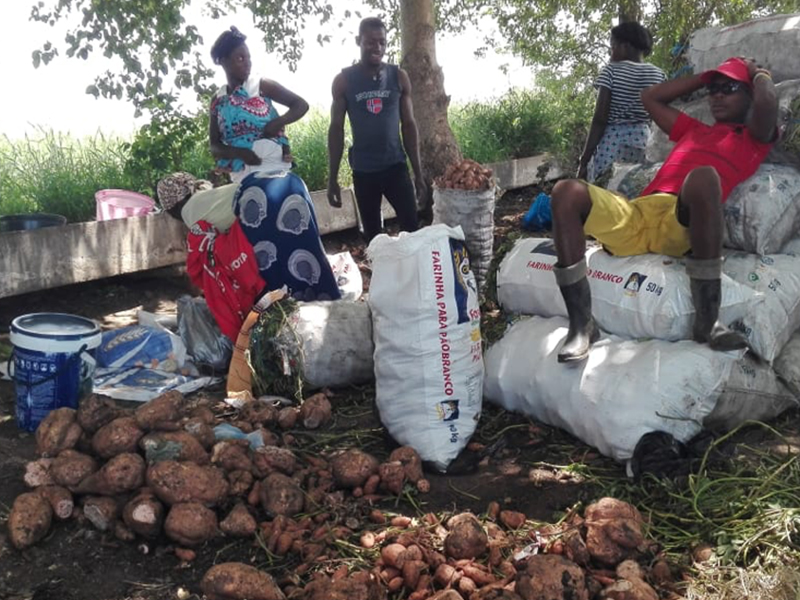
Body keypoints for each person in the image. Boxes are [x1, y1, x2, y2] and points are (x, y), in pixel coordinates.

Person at [551, 56, 778, 363]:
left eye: (729, 88)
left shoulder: (753, 139)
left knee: (704, 176)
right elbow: (650, 97)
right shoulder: (693, 130)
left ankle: (707, 320)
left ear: (748, 95)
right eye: (714, 90)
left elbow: (766, 107)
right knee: (566, 191)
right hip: (638, 214)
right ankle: (582, 325)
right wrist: (706, 76)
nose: (718, 95)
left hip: (679, 222)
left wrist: (759, 72)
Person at [157, 169, 341, 340]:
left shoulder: (189, 212)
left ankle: (286, 326)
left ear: (173, 208)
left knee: (272, 267)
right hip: (289, 183)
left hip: (261, 200)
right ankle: (330, 309)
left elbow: (211, 263)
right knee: (305, 253)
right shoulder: (207, 195)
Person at [327, 17, 426, 243]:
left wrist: (418, 174)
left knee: (412, 228)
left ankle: (412, 276)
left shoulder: (398, 77)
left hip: (396, 168)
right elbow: (336, 129)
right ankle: (383, 276)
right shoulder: (343, 81)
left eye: (382, 42)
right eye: (371, 42)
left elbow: (409, 125)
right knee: (373, 238)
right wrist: (332, 178)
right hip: (364, 172)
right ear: (358, 41)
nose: (377, 48)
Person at [209, 26, 308, 183]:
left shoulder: (261, 85)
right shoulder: (218, 100)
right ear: (223, 61)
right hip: (240, 175)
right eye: (240, 59)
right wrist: (239, 153)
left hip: (273, 168)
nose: (248, 63)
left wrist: (277, 123)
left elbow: (301, 105)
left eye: (249, 58)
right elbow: (214, 145)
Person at [577, 22, 666, 182]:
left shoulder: (611, 71)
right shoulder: (658, 75)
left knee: (605, 191)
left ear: (625, 46)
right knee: (633, 189)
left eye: (613, 47)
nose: (611, 53)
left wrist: (584, 160)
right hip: (643, 141)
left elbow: (599, 119)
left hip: (613, 143)